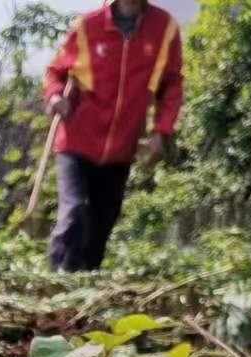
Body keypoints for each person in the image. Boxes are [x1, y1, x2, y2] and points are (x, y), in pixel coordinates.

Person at [43, 0, 184, 271]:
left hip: (122, 147)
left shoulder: (164, 29)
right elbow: (55, 72)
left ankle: (83, 292)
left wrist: (162, 130)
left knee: (101, 224)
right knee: (75, 213)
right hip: (77, 141)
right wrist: (55, 96)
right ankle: (57, 283)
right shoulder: (88, 26)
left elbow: (172, 85)